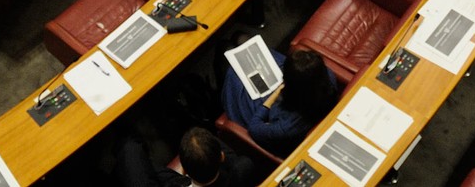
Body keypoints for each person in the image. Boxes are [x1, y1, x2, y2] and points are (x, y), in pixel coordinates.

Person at [219, 47, 337, 158]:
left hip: (268, 112)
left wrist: (274, 94)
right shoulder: (327, 78)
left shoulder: (285, 128)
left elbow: (254, 127)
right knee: (243, 46)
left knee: (231, 64)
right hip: (291, 99)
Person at [116, 126, 261, 187]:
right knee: (141, 162)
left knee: (129, 149)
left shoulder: (241, 167)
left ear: (184, 170)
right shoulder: (243, 168)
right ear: (221, 157)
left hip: (179, 183)